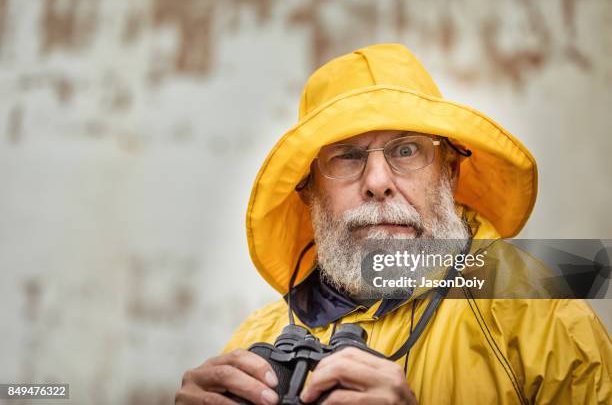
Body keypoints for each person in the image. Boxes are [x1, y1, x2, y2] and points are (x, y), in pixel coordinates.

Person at [175, 44, 611, 404]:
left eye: (406, 151)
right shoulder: (256, 339)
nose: (378, 183)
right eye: (346, 156)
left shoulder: (538, 302)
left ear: (450, 172)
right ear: (308, 193)